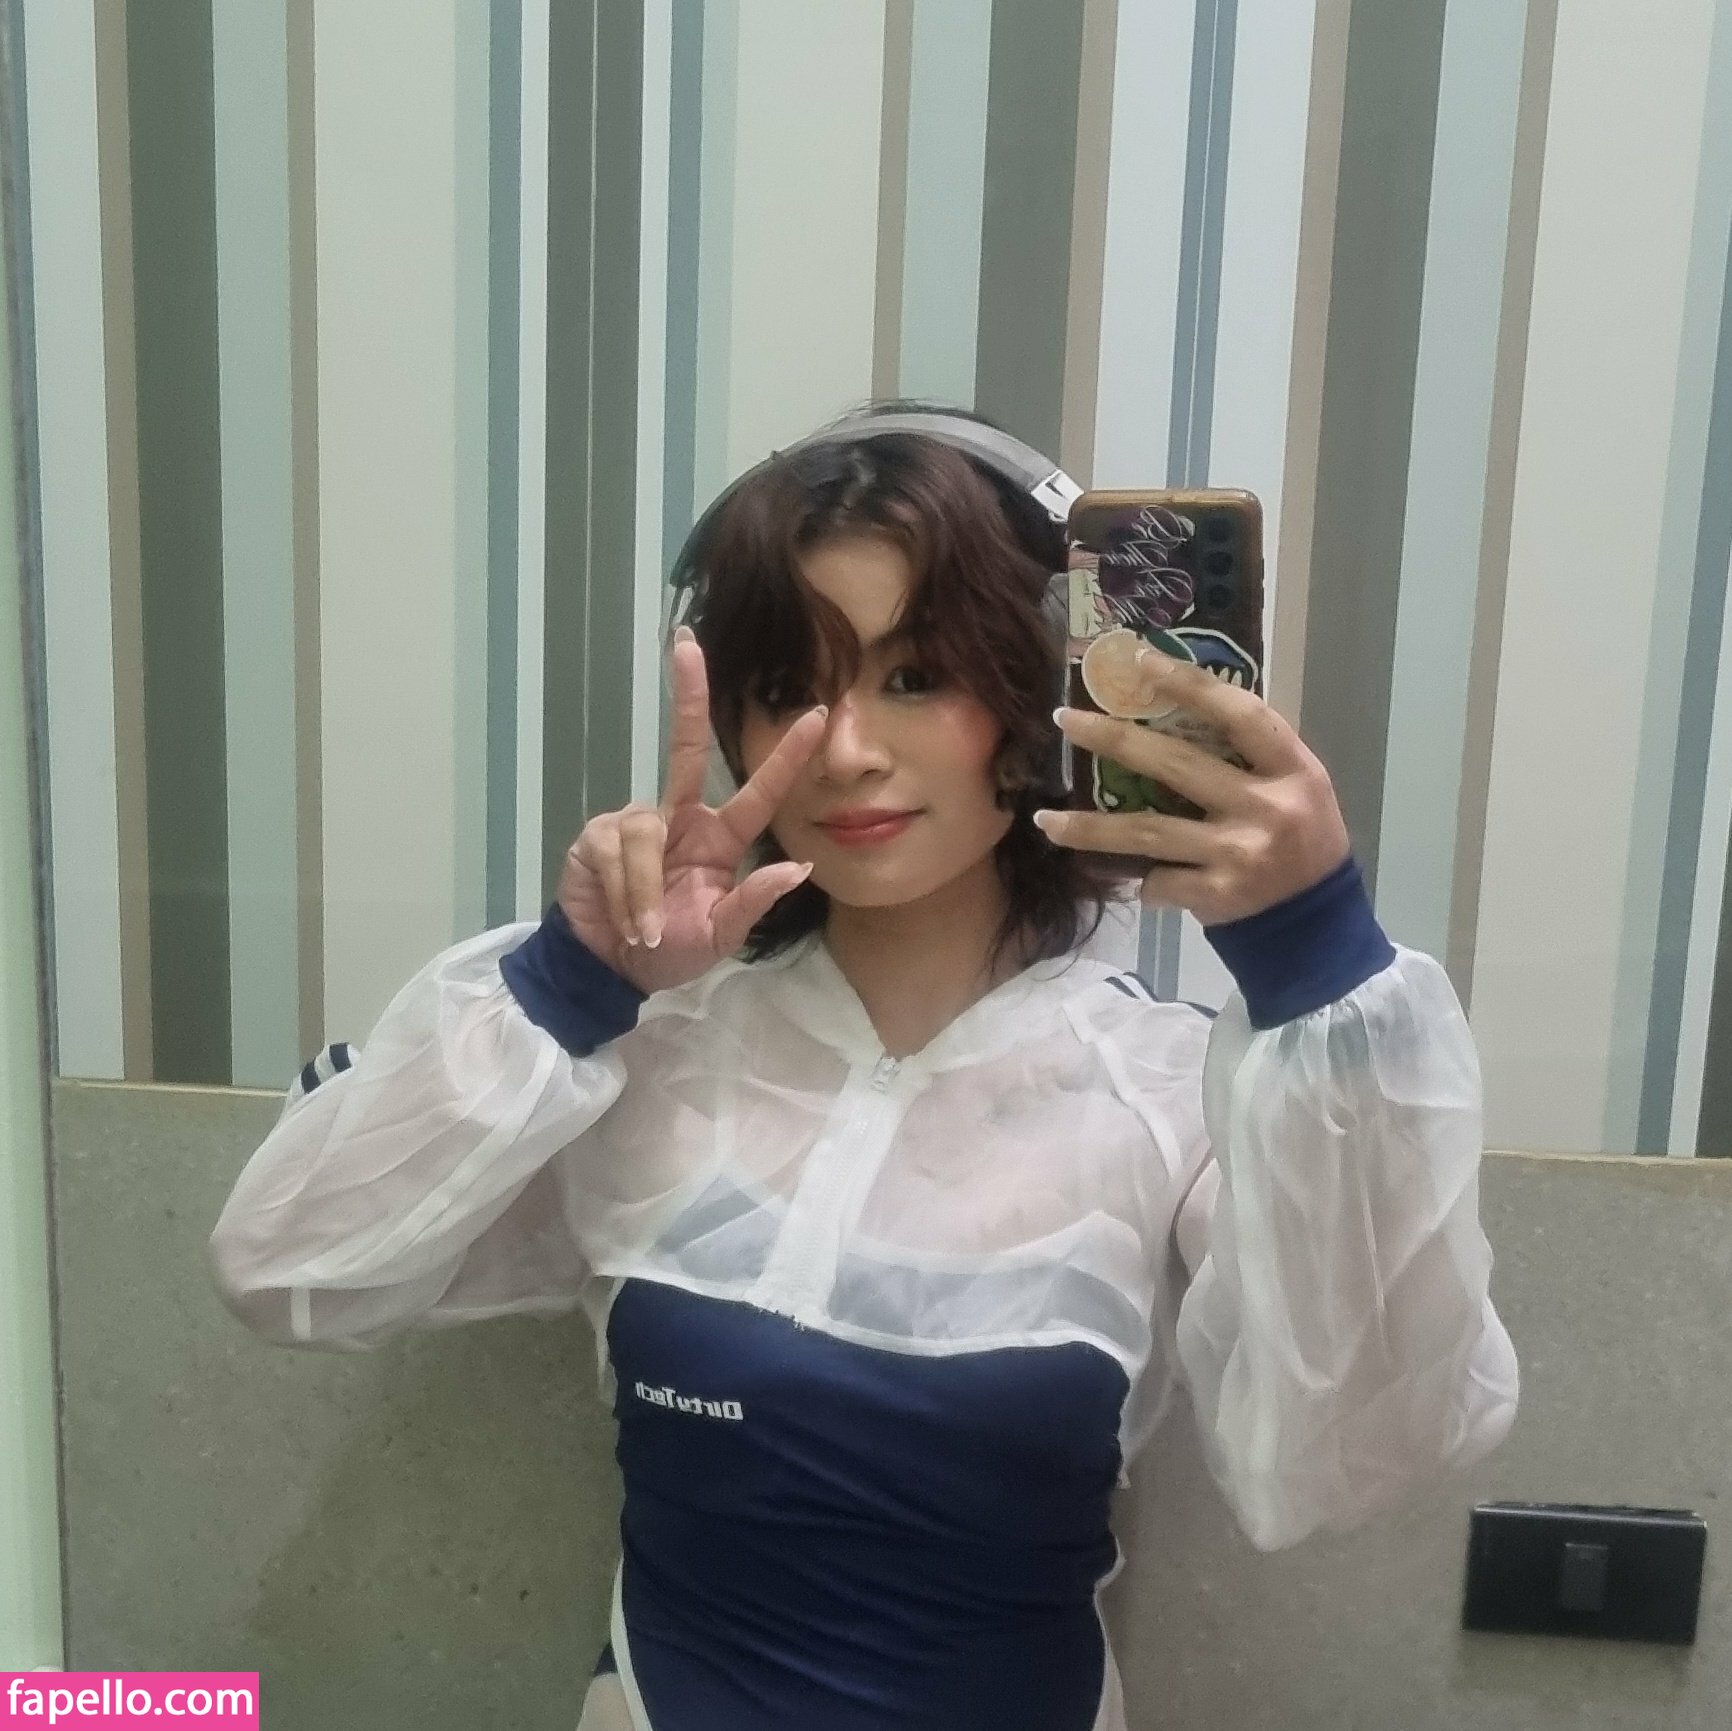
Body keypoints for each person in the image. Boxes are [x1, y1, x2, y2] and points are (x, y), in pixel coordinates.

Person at [208, 403, 1519, 1731]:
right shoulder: (648, 1056)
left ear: (1036, 699)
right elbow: (288, 1270)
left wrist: (1312, 952)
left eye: (916, 676)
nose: (842, 751)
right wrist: (571, 979)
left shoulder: (1166, 1097)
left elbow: (1358, 1454)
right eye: (791, 688)